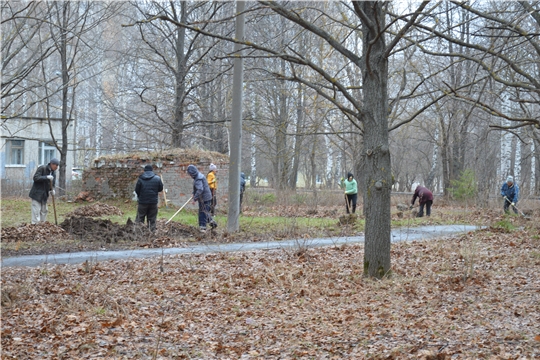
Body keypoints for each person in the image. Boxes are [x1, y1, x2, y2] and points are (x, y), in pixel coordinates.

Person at [187, 164, 217, 233]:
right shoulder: (199, 175)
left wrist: (194, 198)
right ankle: (212, 222)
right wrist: (193, 193)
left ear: (192, 173)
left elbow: (200, 189)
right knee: (205, 211)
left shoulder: (198, 178)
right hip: (206, 197)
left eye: (190, 174)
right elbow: (197, 188)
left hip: (204, 198)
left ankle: (203, 228)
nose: (190, 176)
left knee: (202, 212)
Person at [29, 158, 59, 224]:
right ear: (51, 164)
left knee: (44, 211)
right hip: (37, 194)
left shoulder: (54, 173)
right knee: (36, 211)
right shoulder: (42, 168)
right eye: (55, 165)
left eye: (57, 165)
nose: (57, 167)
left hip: (45, 195)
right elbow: (36, 178)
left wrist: (52, 190)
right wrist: (46, 177)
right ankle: (35, 226)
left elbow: (53, 184)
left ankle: (42, 225)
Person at [134, 164, 163, 232]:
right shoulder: (157, 178)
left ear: (144, 170)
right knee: (152, 219)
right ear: (152, 170)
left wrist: (140, 196)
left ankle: (138, 233)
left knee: (140, 218)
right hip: (153, 202)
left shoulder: (140, 178)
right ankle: (151, 234)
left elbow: (137, 190)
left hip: (142, 202)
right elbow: (160, 189)